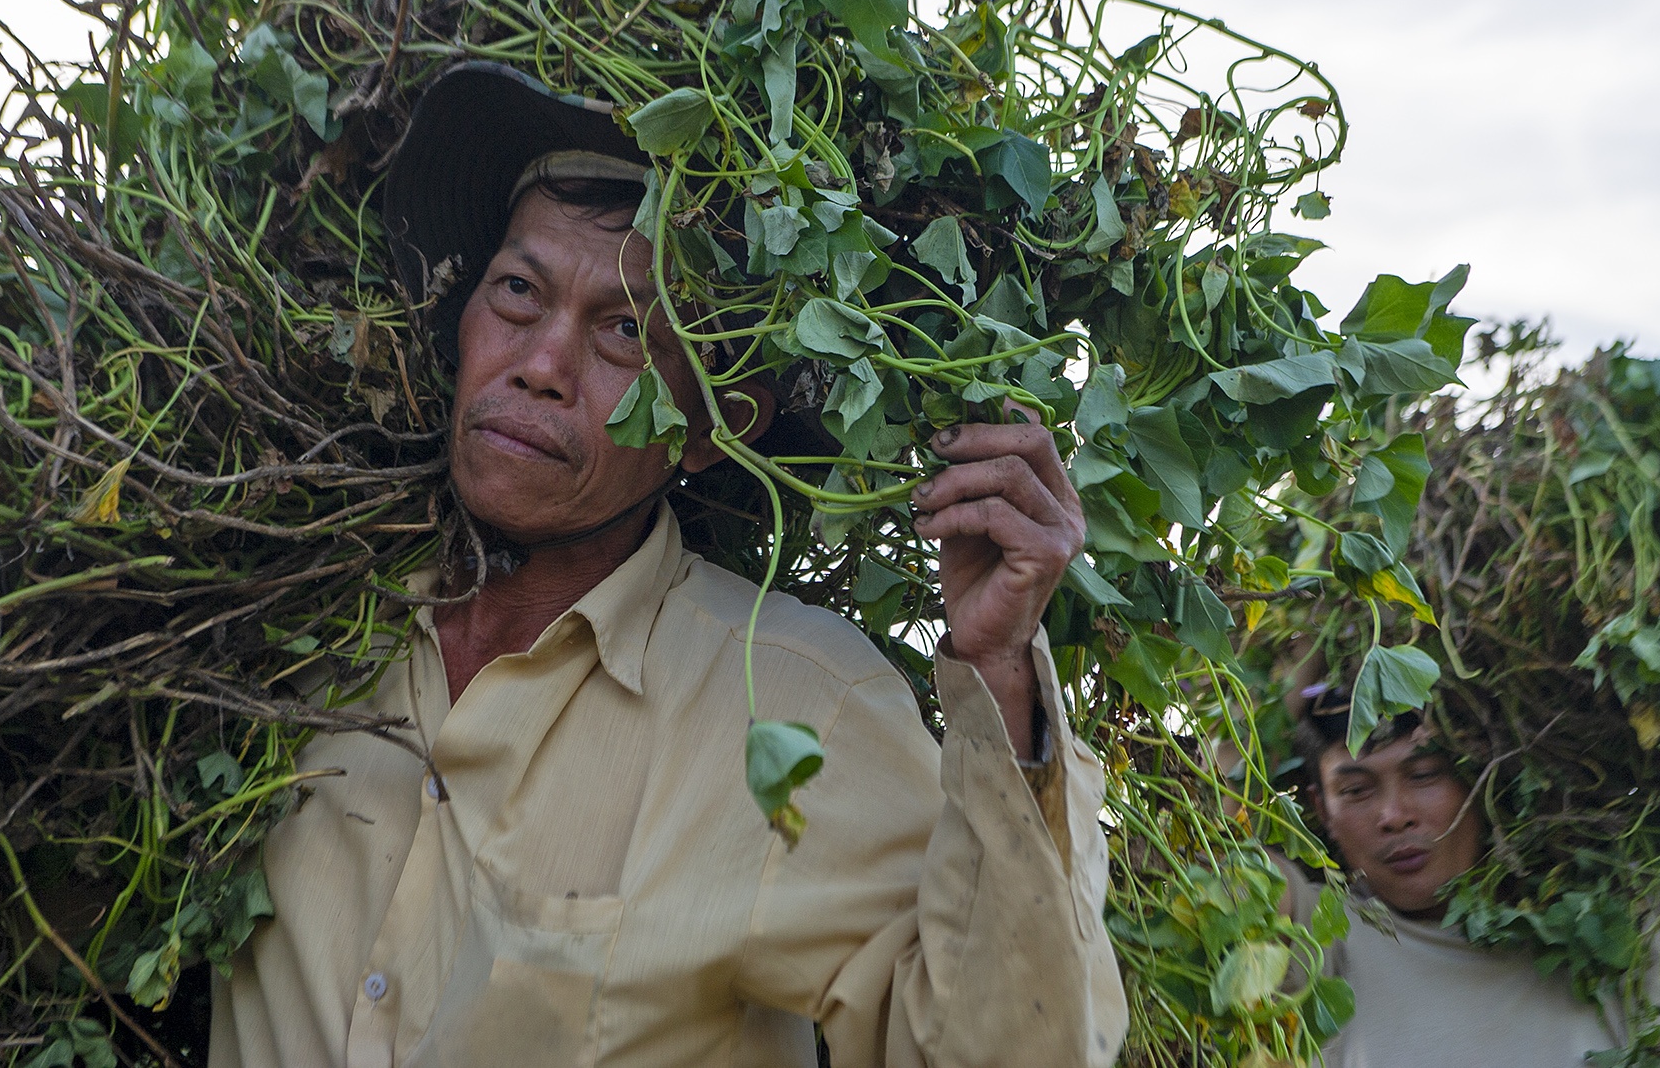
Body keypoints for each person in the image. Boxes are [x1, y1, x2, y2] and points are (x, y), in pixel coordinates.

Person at [208, 62, 1128, 1067]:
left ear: (711, 426)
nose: (541, 364)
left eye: (624, 333)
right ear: (460, 315)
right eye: (517, 291)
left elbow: (1009, 1051)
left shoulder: (798, 706)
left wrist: (1000, 672)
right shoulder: (293, 618)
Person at [1277, 682, 1660, 1067]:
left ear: (1485, 775)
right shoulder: (1320, 938)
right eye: (1356, 791)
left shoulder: (1631, 909)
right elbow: (1227, 867)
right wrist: (1274, 692)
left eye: (1425, 775)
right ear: (1322, 810)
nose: (1394, 815)